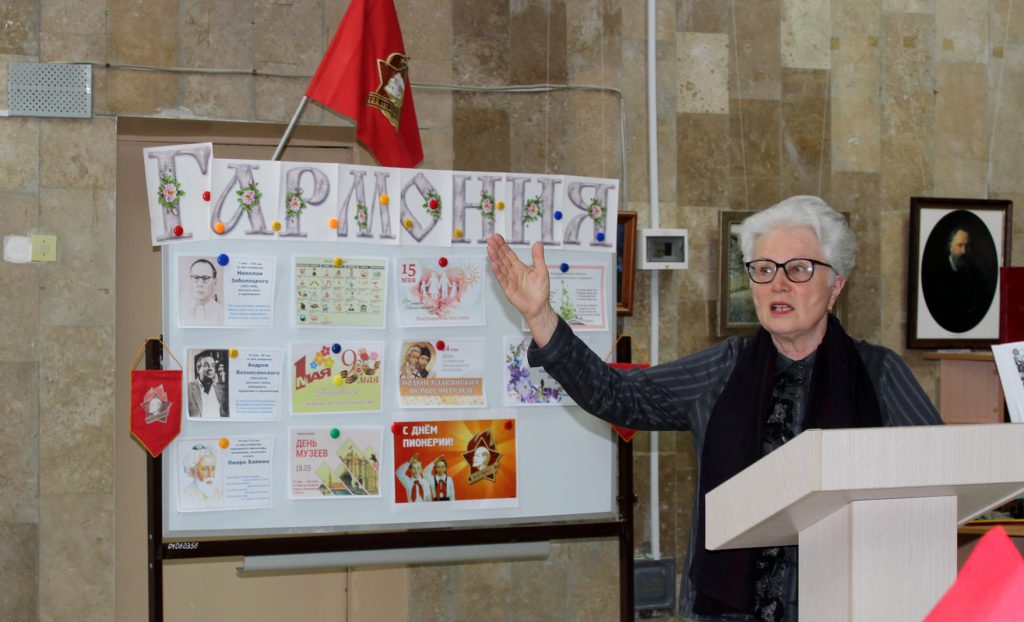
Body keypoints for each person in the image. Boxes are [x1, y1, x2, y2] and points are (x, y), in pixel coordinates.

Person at [486, 195, 942, 622]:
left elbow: (941, 477)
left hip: (850, 606)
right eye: (763, 269)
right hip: (726, 610)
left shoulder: (879, 374)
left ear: (836, 285)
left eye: (799, 269)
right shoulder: (724, 369)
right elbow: (618, 396)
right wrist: (541, 317)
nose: (778, 283)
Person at [921, 224, 995, 333]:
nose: (964, 251)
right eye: (960, 245)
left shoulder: (976, 276)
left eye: (967, 246)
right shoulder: (935, 277)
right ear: (950, 247)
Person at [182, 257, 224, 325]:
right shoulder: (180, 308)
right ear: (189, 279)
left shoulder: (222, 313)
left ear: (215, 281)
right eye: (195, 277)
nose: (200, 284)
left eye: (205, 278)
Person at [187, 350, 229, 418]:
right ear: (198, 369)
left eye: (213, 365)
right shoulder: (188, 389)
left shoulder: (221, 390)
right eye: (206, 365)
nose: (210, 368)